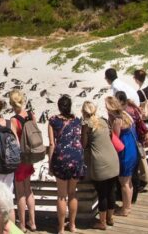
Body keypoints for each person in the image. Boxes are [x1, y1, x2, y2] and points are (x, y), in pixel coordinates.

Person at [48, 95, 85, 234]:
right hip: (76, 156)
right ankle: (73, 225)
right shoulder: (77, 120)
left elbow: (52, 144)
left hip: (62, 157)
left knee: (61, 195)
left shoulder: (53, 121)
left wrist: (50, 163)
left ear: (59, 107)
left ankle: (61, 228)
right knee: (72, 193)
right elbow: (79, 138)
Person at [81, 101, 120, 230]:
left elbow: (83, 144)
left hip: (100, 162)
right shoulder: (103, 121)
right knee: (111, 190)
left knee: (102, 193)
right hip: (113, 159)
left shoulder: (87, 125)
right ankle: (110, 218)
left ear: (84, 112)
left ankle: (102, 222)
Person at [9, 91, 36, 232]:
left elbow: (15, 143)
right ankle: (33, 222)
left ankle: (22, 225)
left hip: (20, 159)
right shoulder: (31, 115)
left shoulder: (14, 120)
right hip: (30, 157)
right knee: (29, 189)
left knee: (20, 193)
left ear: (11, 104)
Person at [107, 96, 137, 217]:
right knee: (129, 181)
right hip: (131, 149)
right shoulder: (125, 115)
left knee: (124, 181)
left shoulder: (116, 120)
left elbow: (115, 138)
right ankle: (128, 206)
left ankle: (125, 209)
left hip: (124, 152)